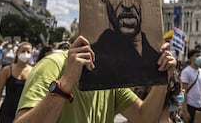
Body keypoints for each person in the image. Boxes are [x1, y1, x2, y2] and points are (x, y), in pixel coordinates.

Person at [14, 36, 176, 123]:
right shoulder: (53, 65)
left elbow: (144, 118)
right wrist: (66, 82)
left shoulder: (110, 77)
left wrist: (162, 79)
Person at [79, 0, 166, 90]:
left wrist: (165, 78)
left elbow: (143, 111)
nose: (127, 3)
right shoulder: (92, 60)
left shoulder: (157, 59)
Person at [0, 41, 33, 123]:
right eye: (23, 51)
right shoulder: (7, 70)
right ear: (17, 52)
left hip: (23, 113)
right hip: (6, 112)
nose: (26, 54)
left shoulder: (33, 71)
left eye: (28, 52)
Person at [181, 49, 201, 123]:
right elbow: (183, 92)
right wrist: (184, 110)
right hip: (190, 105)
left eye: (200, 56)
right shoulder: (186, 72)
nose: (199, 58)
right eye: (197, 56)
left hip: (200, 106)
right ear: (191, 58)